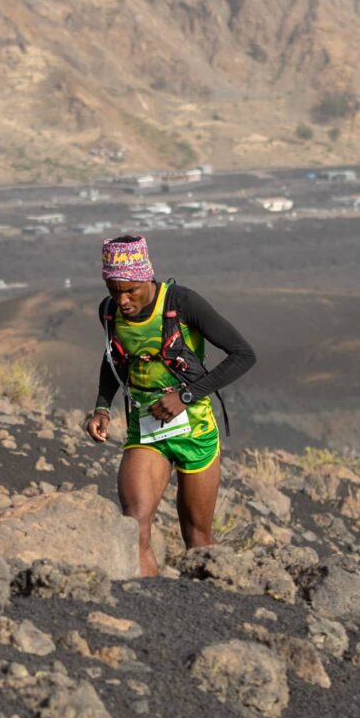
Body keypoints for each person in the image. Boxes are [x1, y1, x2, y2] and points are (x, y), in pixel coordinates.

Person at [83, 234, 256, 575]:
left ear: (147, 276)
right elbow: (114, 359)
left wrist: (185, 396)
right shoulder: (108, 313)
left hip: (195, 431)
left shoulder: (183, 302)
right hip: (146, 429)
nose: (123, 300)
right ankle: (150, 609)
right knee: (134, 528)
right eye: (114, 290)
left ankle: (213, 608)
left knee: (197, 538)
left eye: (130, 289)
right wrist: (103, 406)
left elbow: (243, 355)